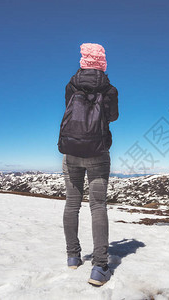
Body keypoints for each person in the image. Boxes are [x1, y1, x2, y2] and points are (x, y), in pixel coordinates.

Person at [60, 43, 118, 286]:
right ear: (103, 64)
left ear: (83, 62)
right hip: (98, 152)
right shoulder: (110, 89)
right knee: (98, 206)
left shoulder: (71, 85)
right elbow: (113, 117)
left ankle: (73, 256)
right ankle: (100, 266)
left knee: (72, 203)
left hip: (72, 151)